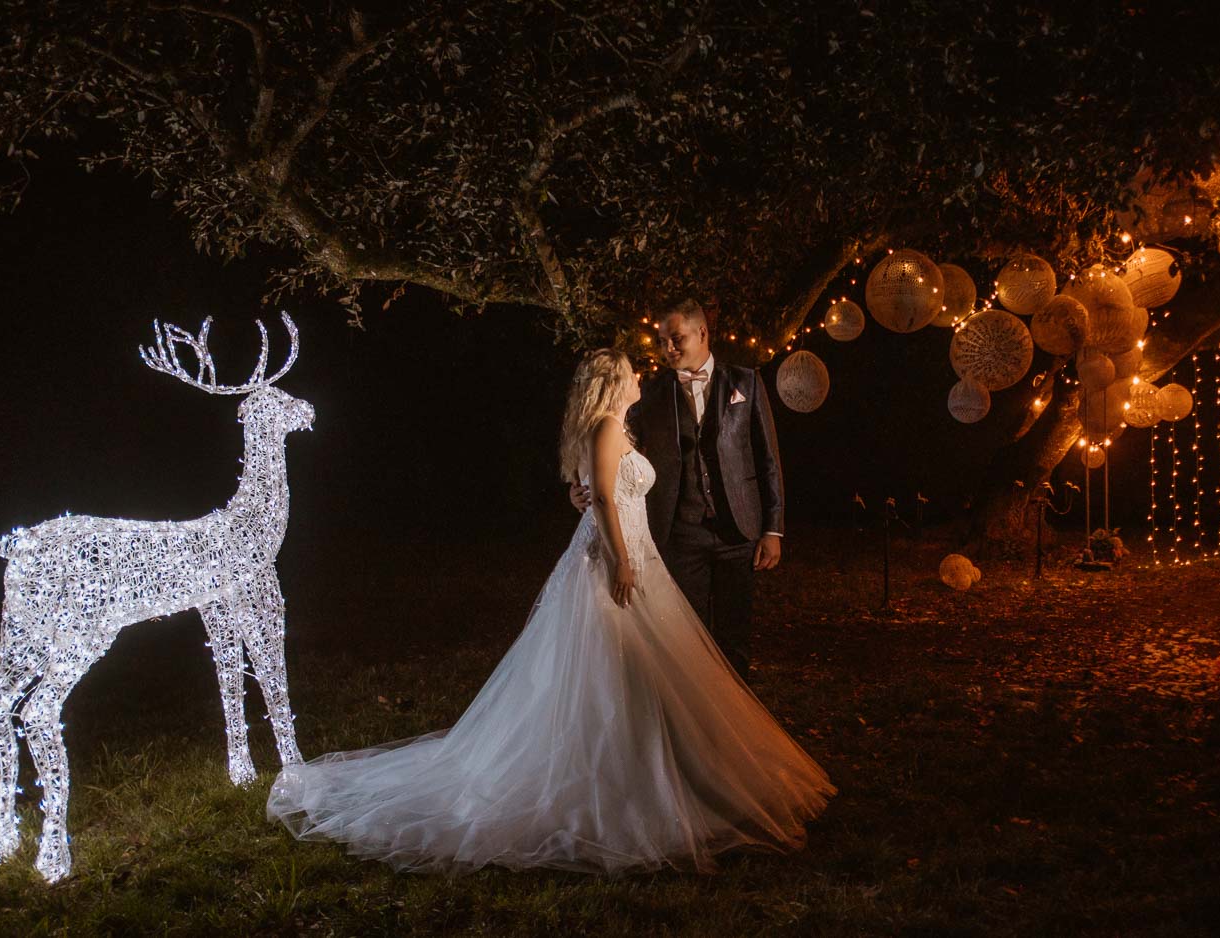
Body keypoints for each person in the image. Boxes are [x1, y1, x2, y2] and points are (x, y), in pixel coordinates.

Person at [267, 349, 833, 874]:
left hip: (629, 553)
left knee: (642, 671)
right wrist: (621, 561)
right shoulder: (608, 426)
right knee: (610, 669)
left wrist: (589, 505)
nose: (641, 376)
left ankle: (657, 770)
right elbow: (607, 498)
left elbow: (595, 487)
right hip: (617, 557)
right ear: (614, 383)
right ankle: (621, 783)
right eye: (632, 372)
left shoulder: (611, 428)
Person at [572, 299, 784, 680]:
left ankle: (735, 717)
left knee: (735, 636)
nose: (667, 348)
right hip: (679, 532)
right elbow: (610, 448)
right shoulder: (649, 393)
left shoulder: (745, 382)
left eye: (676, 338)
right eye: (662, 341)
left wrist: (772, 528)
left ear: (702, 333)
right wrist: (580, 487)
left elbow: (768, 459)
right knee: (688, 637)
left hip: (739, 531)